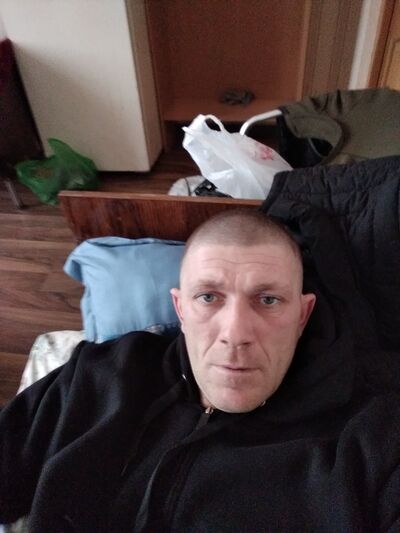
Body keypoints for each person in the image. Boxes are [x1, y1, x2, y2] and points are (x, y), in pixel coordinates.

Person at [0, 210, 398, 533]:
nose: (235, 334)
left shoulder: (371, 434)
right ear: (180, 310)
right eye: (208, 297)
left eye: (268, 300)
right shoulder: (96, 375)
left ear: (302, 315)